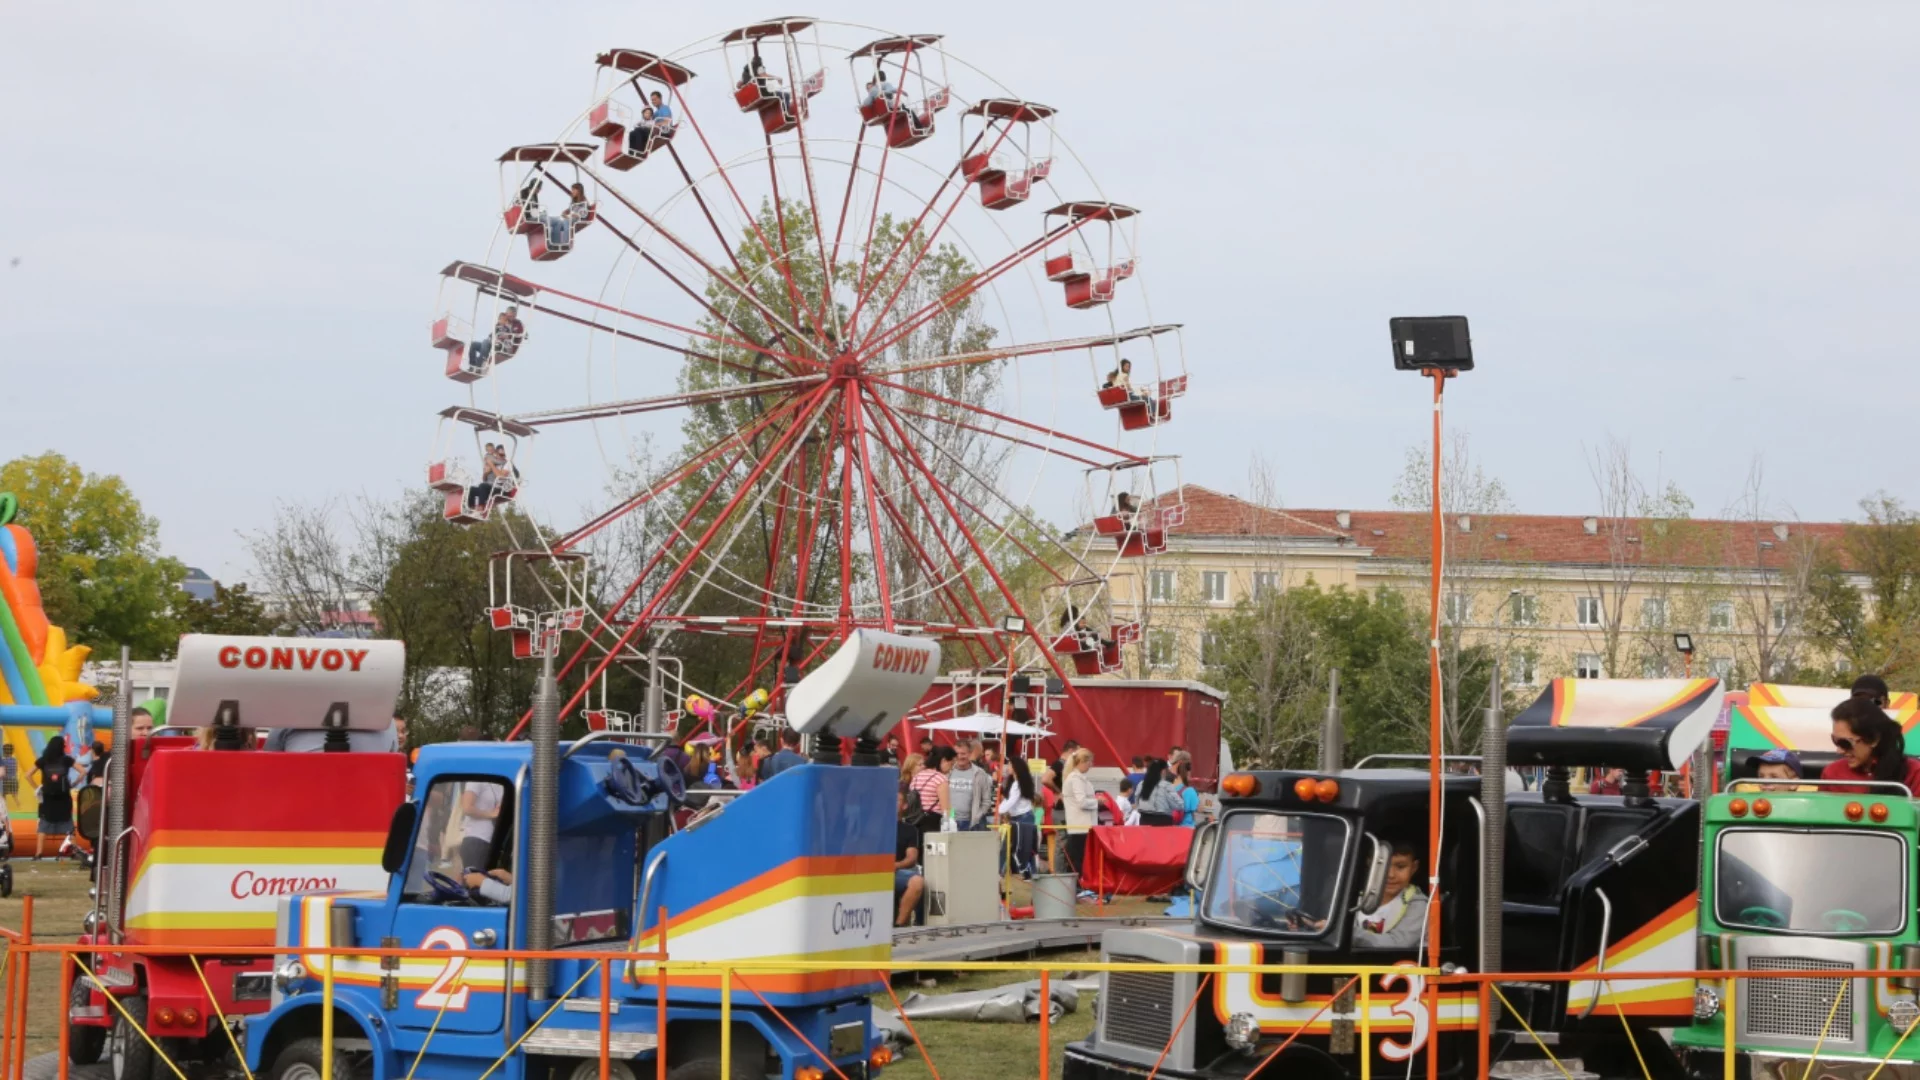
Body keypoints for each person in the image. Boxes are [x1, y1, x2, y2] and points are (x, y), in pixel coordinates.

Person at [1822, 696, 1920, 792]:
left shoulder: (1914, 774)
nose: (1839, 751)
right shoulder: (1832, 774)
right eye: (1835, 740)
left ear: (1874, 739)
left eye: (1845, 743)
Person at [1352, 842, 1429, 949]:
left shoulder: (1420, 905)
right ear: (1370, 864)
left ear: (1414, 867)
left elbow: (1398, 944)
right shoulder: (1354, 897)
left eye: (1400, 866)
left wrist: (1348, 933)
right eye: (1382, 865)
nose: (1391, 874)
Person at [32, 735, 78, 857]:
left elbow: (28, 775)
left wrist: (37, 787)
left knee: (44, 823)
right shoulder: (67, 760)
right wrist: (73, 784)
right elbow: (83, 771)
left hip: (48, 797)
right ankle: (74, 851)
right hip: (64, 797)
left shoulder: (43, 760)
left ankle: (38, 853)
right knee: (68, 823)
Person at [1062, 749, 1098, 894]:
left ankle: (1076, 887)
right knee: (1078, 859)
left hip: (1080, 824)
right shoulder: (1076, 779)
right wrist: (1097, 801)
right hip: (1080, 825)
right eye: (1090, 762)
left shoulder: (1077, 778)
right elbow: (1082, 802)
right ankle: (1076, 888)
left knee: (1077, 858)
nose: (1091, 765)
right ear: (1083, 762)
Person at [998, 756, 1038, 879]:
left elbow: (1011, 802)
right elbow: (1009, 800)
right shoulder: (1016, 782)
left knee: (1022, 848)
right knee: (1019, 848)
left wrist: (1000, 810)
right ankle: (1028, 874)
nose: (1007, 767)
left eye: (1009, 765)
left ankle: (1001, 872)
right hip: (1019, 818)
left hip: (1022, 818)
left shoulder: (1018, 784)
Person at [946, 741, 994, 832]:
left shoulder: (980, 773)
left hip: (972, 823)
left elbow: (986, 801)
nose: (960, 756)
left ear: (970, 754)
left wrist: (977, 816)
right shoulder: (948, 772)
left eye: (963, 753)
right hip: (951, 821)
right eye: (957, 754)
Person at [894, 787, 926, 926]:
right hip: (873, 871)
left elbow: (912, 857)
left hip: (897, 871)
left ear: (905, 805)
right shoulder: (873, 825)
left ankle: (899, 925)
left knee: (917, 881)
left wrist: (896, 865)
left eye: (897, 800)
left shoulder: (909, 830)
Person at [458, 781, 503, 871]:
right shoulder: (476, 781)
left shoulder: (500, 784)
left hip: (492, 842)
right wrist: (491, 814)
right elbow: (467, 808)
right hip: (476, 839)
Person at [468, 306, 527, 372]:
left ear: (515, 315)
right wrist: (492, 337)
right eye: (509, 316)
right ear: (506, 314)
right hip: (495, 343)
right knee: (474, 345)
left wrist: (508, 336)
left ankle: (479, 366)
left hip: (505, 346)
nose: (511, 318)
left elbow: (520, 334)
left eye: (513, 316)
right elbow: (493, 333)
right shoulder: (501, 323)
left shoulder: (517, 324)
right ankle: (473, 366)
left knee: (486, 342)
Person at [1137, 759, 1181, 825]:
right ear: (1163, 771)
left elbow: (1137, 800)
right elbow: (1178, 805)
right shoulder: (1167, 785)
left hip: (1144, 819)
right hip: (1163, 821)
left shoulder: (1141, 784)